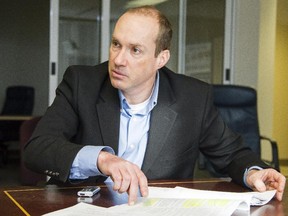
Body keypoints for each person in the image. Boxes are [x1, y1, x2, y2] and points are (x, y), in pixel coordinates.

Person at [24, 5, 285, 205]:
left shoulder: (192, 98)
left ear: (161, 58)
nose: (119, 60)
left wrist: (253, 173)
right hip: (86, 206)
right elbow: (37, 149)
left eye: (135, 50)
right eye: (116, 44)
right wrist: (102, 159)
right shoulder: (82, 83)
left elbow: (232, 154)